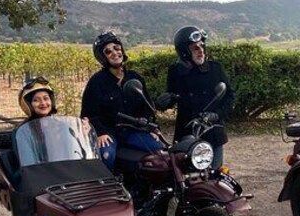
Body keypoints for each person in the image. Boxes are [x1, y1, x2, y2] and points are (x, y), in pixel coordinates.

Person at [80, 31, 162, 170]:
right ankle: (108, 183)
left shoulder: (135, 78)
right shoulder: (96, 82)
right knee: (107, 155)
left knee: (159, 149)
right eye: (108, 51)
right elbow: (88, 113)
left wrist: (153, 128)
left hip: (133, 130)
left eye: (117, 48)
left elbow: (147, 106)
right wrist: (100, 133)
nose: (114, 53)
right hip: (109, 131)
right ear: (102, 57)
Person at [166, 26, 235, 168]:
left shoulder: (215, 68)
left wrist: (217, 115)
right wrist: (164, 101)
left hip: (212, 131)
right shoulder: (175, 72)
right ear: (184, 51)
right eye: (195, 48)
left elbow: (229, 97)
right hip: (186, 133)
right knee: (184, 176)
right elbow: (172, 96)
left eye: (202, 46)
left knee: (215, 174)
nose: (201, 50)